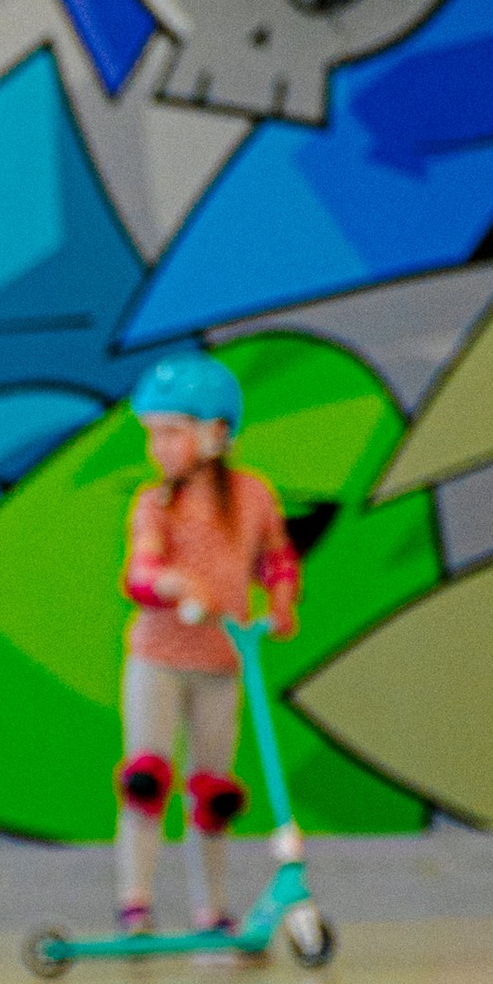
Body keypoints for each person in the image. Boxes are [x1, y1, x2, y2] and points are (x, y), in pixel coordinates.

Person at [115, 354, 301, 934]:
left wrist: (281, 603)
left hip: (222, 661)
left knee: (212, 793)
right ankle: (136, 905)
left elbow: (276, 557)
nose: (160, 448)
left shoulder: (251, 497)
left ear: (215, 434)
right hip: (159, 659)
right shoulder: (155, 504)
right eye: (154, 434)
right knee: (147, 780)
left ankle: (211, 909)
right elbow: (140, 573)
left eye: (172, 432)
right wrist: (173, 583)